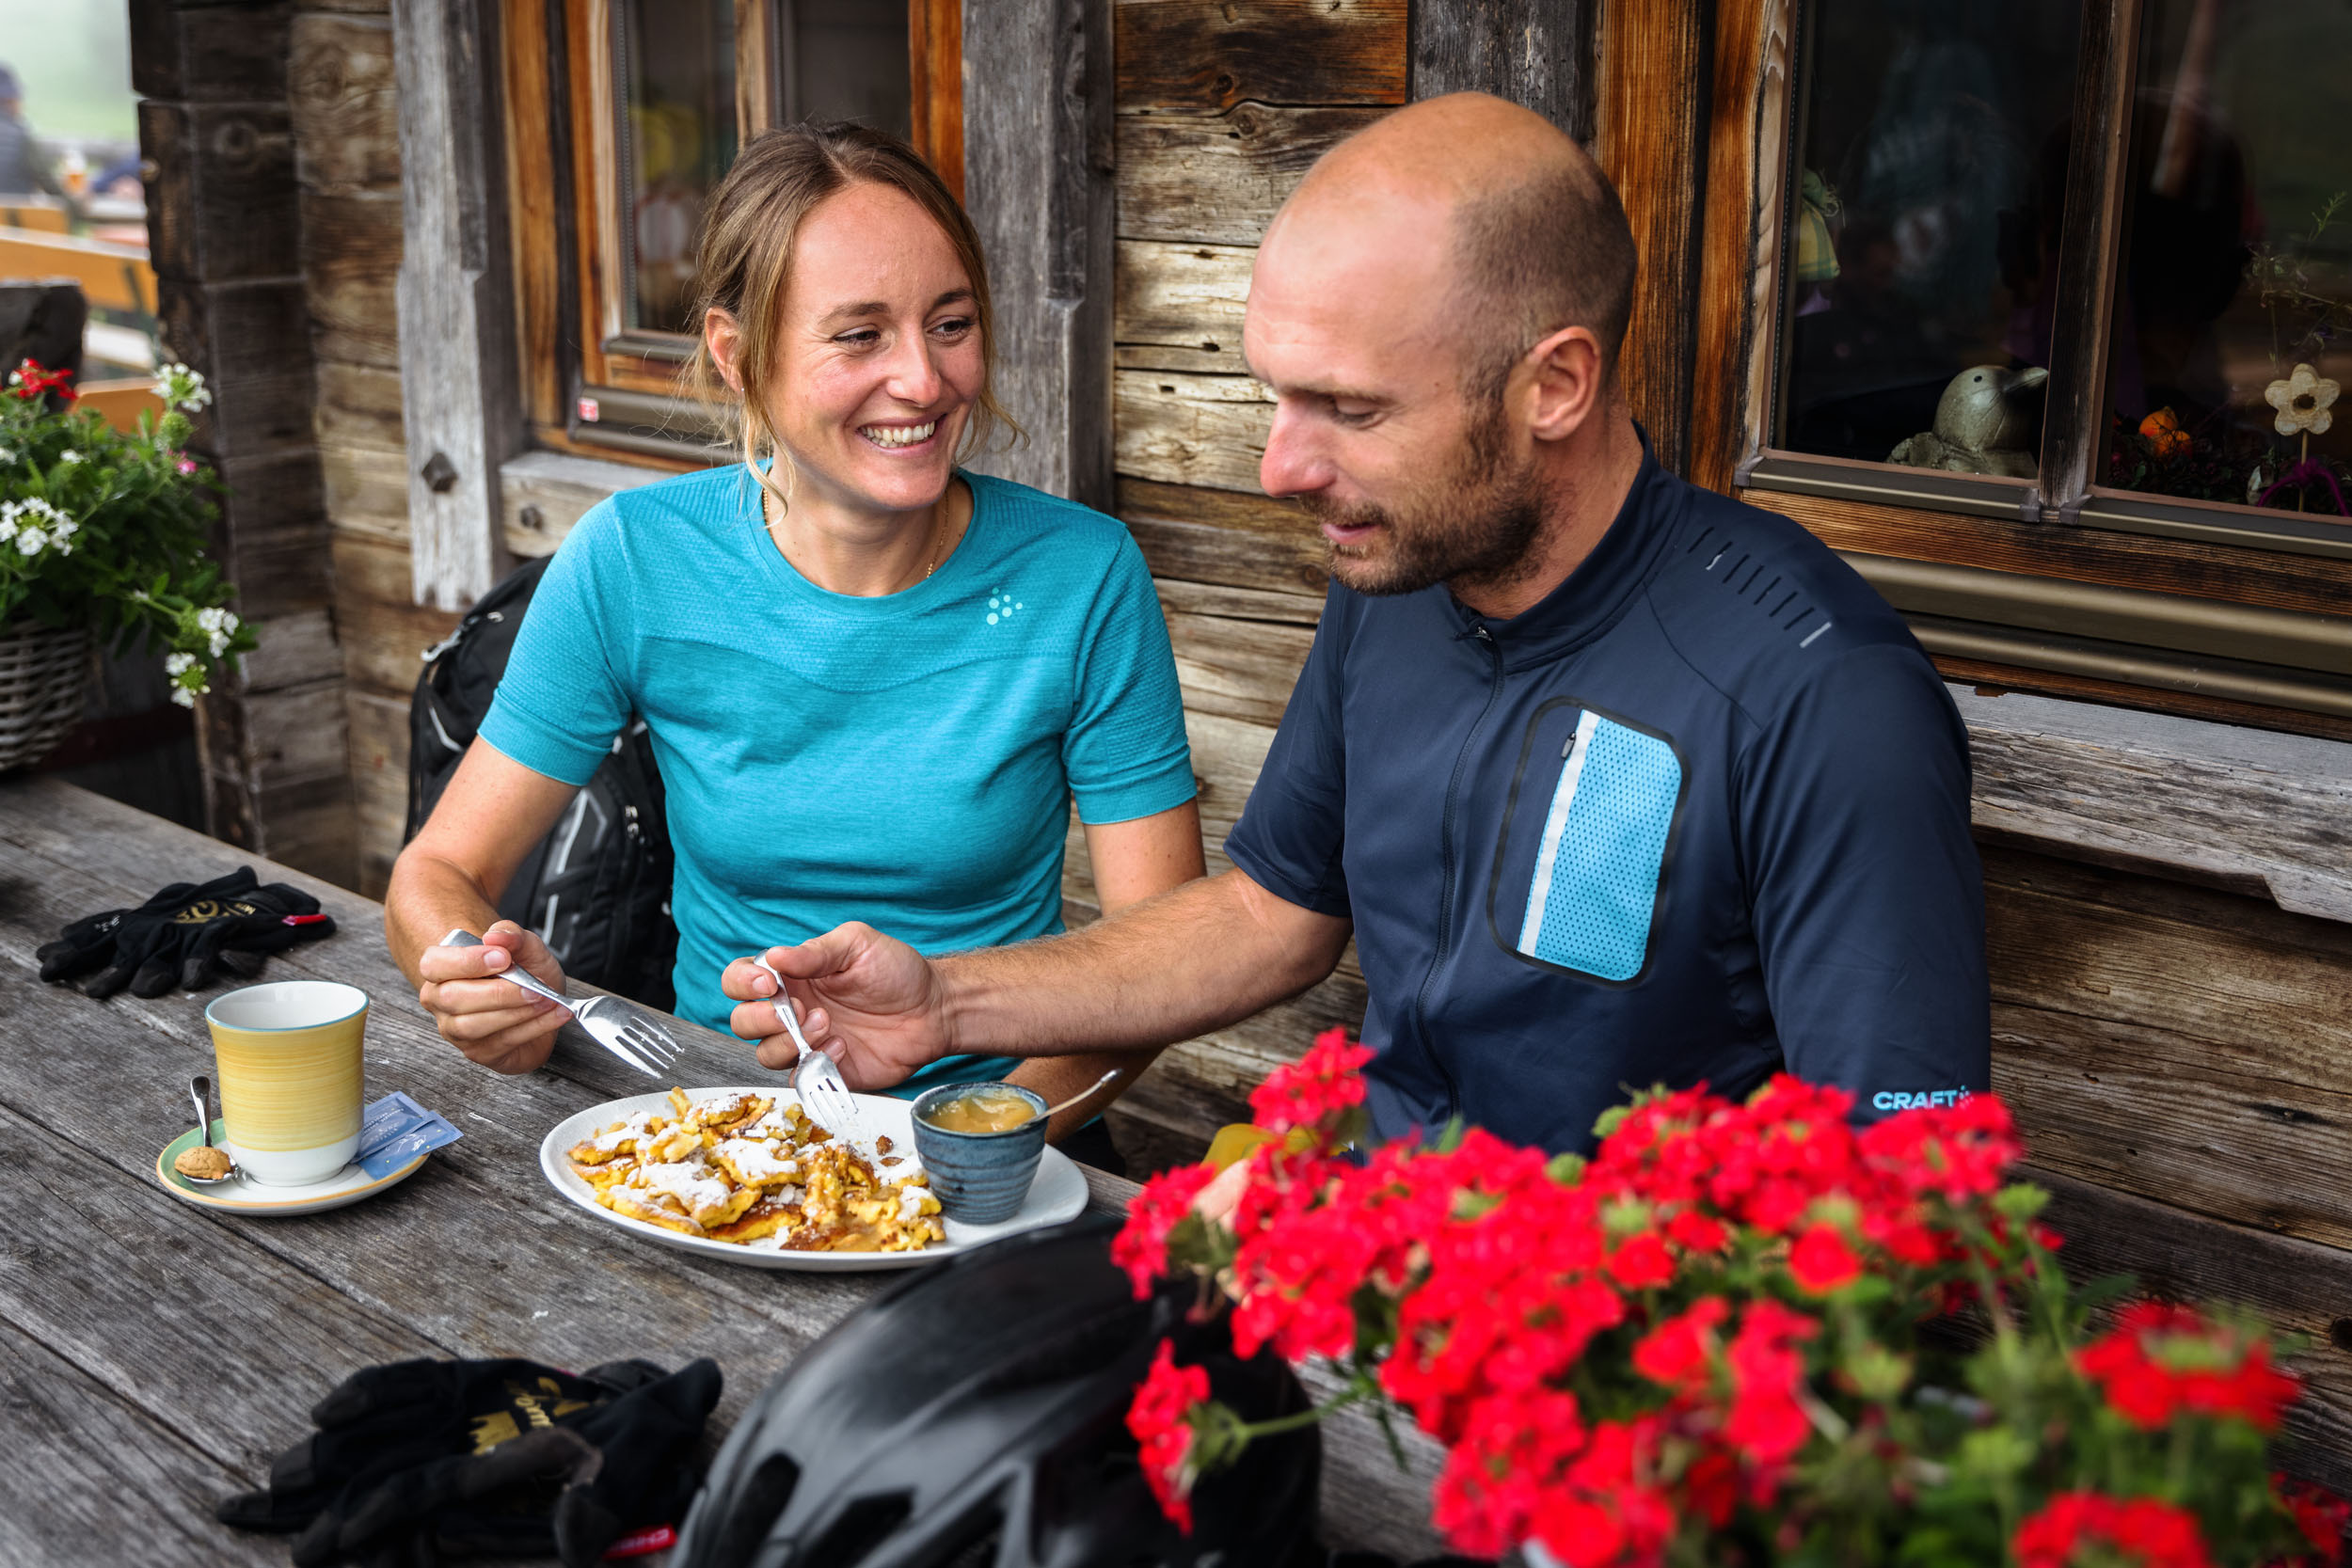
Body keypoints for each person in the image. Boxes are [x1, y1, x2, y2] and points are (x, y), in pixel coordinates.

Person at [720, 93, 1991, 1158]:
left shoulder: (1820, 699)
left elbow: (1906, 1199)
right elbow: (1271, 911)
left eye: (1350, 408)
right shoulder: (1400, 574)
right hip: (1365, 1295)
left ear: (1555, 384)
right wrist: (946, 1001)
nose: (1280, 466)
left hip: (1615, 1390)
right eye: (1275, 393)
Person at [387, 123, 1204, 1165]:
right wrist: (471, 966)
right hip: (712, 1125)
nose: (923, 378)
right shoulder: (636, 558)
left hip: (1001, 1138)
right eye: (859, 335)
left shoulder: (1080, 576)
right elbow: (438, 870)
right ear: (738, 357)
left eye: (949, 323)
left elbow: (1165, 961)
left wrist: (954, 1149)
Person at [0, 65, 68, 203]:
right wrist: (77, 204)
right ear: (11, 101)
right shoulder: (21, 137)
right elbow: (48, 183)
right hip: (14, 222)